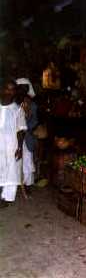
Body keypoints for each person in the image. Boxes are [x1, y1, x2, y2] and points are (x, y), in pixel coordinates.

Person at [0, 79, 27, 208]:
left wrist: (20, 147)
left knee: (10, 169)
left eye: (12, 90)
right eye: (7, 88)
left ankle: (7, 197)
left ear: (15, 92)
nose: (9, 92)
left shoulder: (17, 110)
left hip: (11, 145)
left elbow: (21, 130)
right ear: (2, 89)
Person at [16, 78, 38, 189]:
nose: (23, 90)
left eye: (25, 88)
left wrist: (26, 126)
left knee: (27, 160)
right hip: (14, 136)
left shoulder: (32, 105)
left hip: (27, 136)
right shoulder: (13, 103)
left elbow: (35, 121)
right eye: (21, 88)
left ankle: (27, 184)